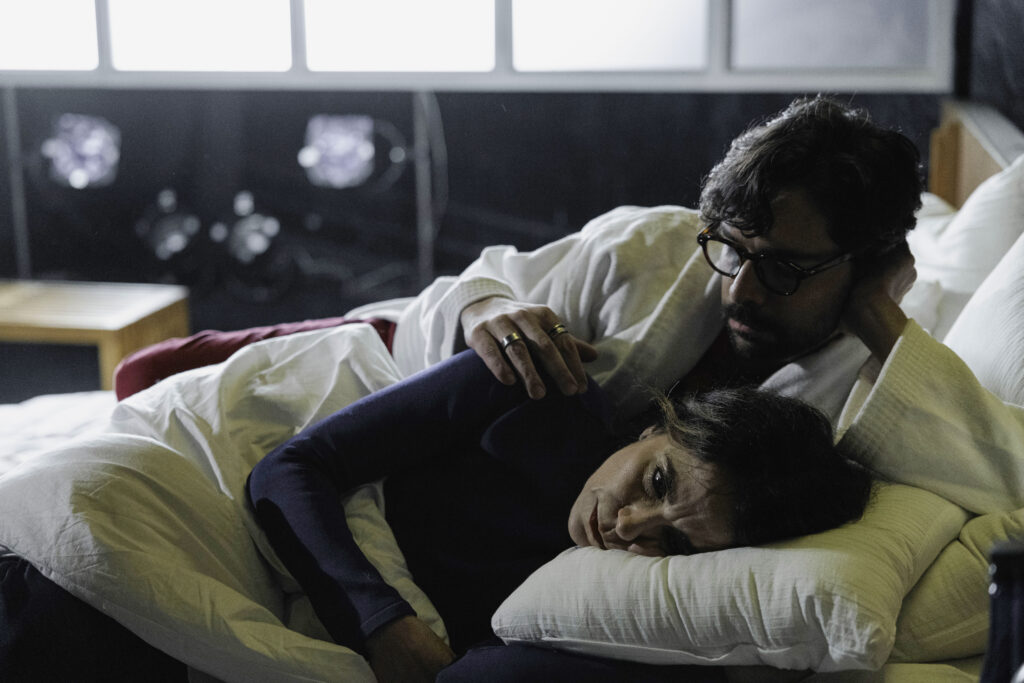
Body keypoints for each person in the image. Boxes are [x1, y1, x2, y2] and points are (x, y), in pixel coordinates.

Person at [245, 347, 873, 683]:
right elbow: (290, 469)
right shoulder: (532, 389)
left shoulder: (622, 617)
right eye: (656, 480)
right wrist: (382, 624)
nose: (629, 527)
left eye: (676, 544)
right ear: (658, 426)